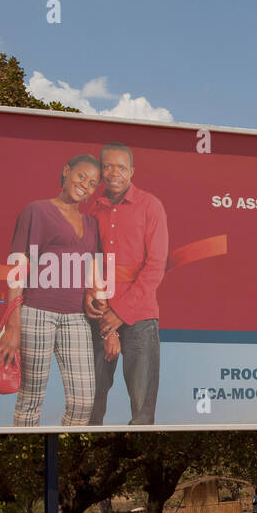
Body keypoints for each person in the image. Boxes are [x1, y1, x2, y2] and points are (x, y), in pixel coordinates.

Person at [0, 154, 103, 427]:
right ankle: (33, 466)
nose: (85, 185)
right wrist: (13, 324)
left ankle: (60, 456)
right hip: (36, 313)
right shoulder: (37, 211)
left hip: (76, 317)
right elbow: (18, 266)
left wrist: (94, 293)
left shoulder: (92, 224)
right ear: (66, 171)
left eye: (92, 183)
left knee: (84, 402)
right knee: (30, 399)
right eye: (81, 176)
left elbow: (92, 270)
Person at [82, 142, 169, 426]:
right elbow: (90, 264)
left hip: (140, 318)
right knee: (90, 403)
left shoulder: (151, 206)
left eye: (121, 167)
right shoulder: (92, 210)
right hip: (99, 318)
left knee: (143, 410)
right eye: (107, 166)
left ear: (132, 171)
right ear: (101, 170)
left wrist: (119, 314)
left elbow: (155, 266)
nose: (113, 173)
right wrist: (93, 300)